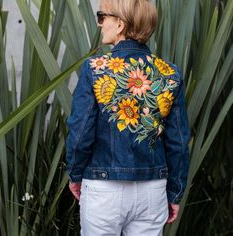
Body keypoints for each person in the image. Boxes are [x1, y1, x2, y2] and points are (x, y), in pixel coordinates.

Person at [66, 0, 190, 235]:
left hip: (104, 189)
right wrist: (175, 193)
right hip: (153, 191)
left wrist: (75, 173)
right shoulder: (169, 73)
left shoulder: (95, 69)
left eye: (102, 17)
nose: (100, 24)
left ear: (120, 24)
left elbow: (80, 132)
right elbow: (179, 142)